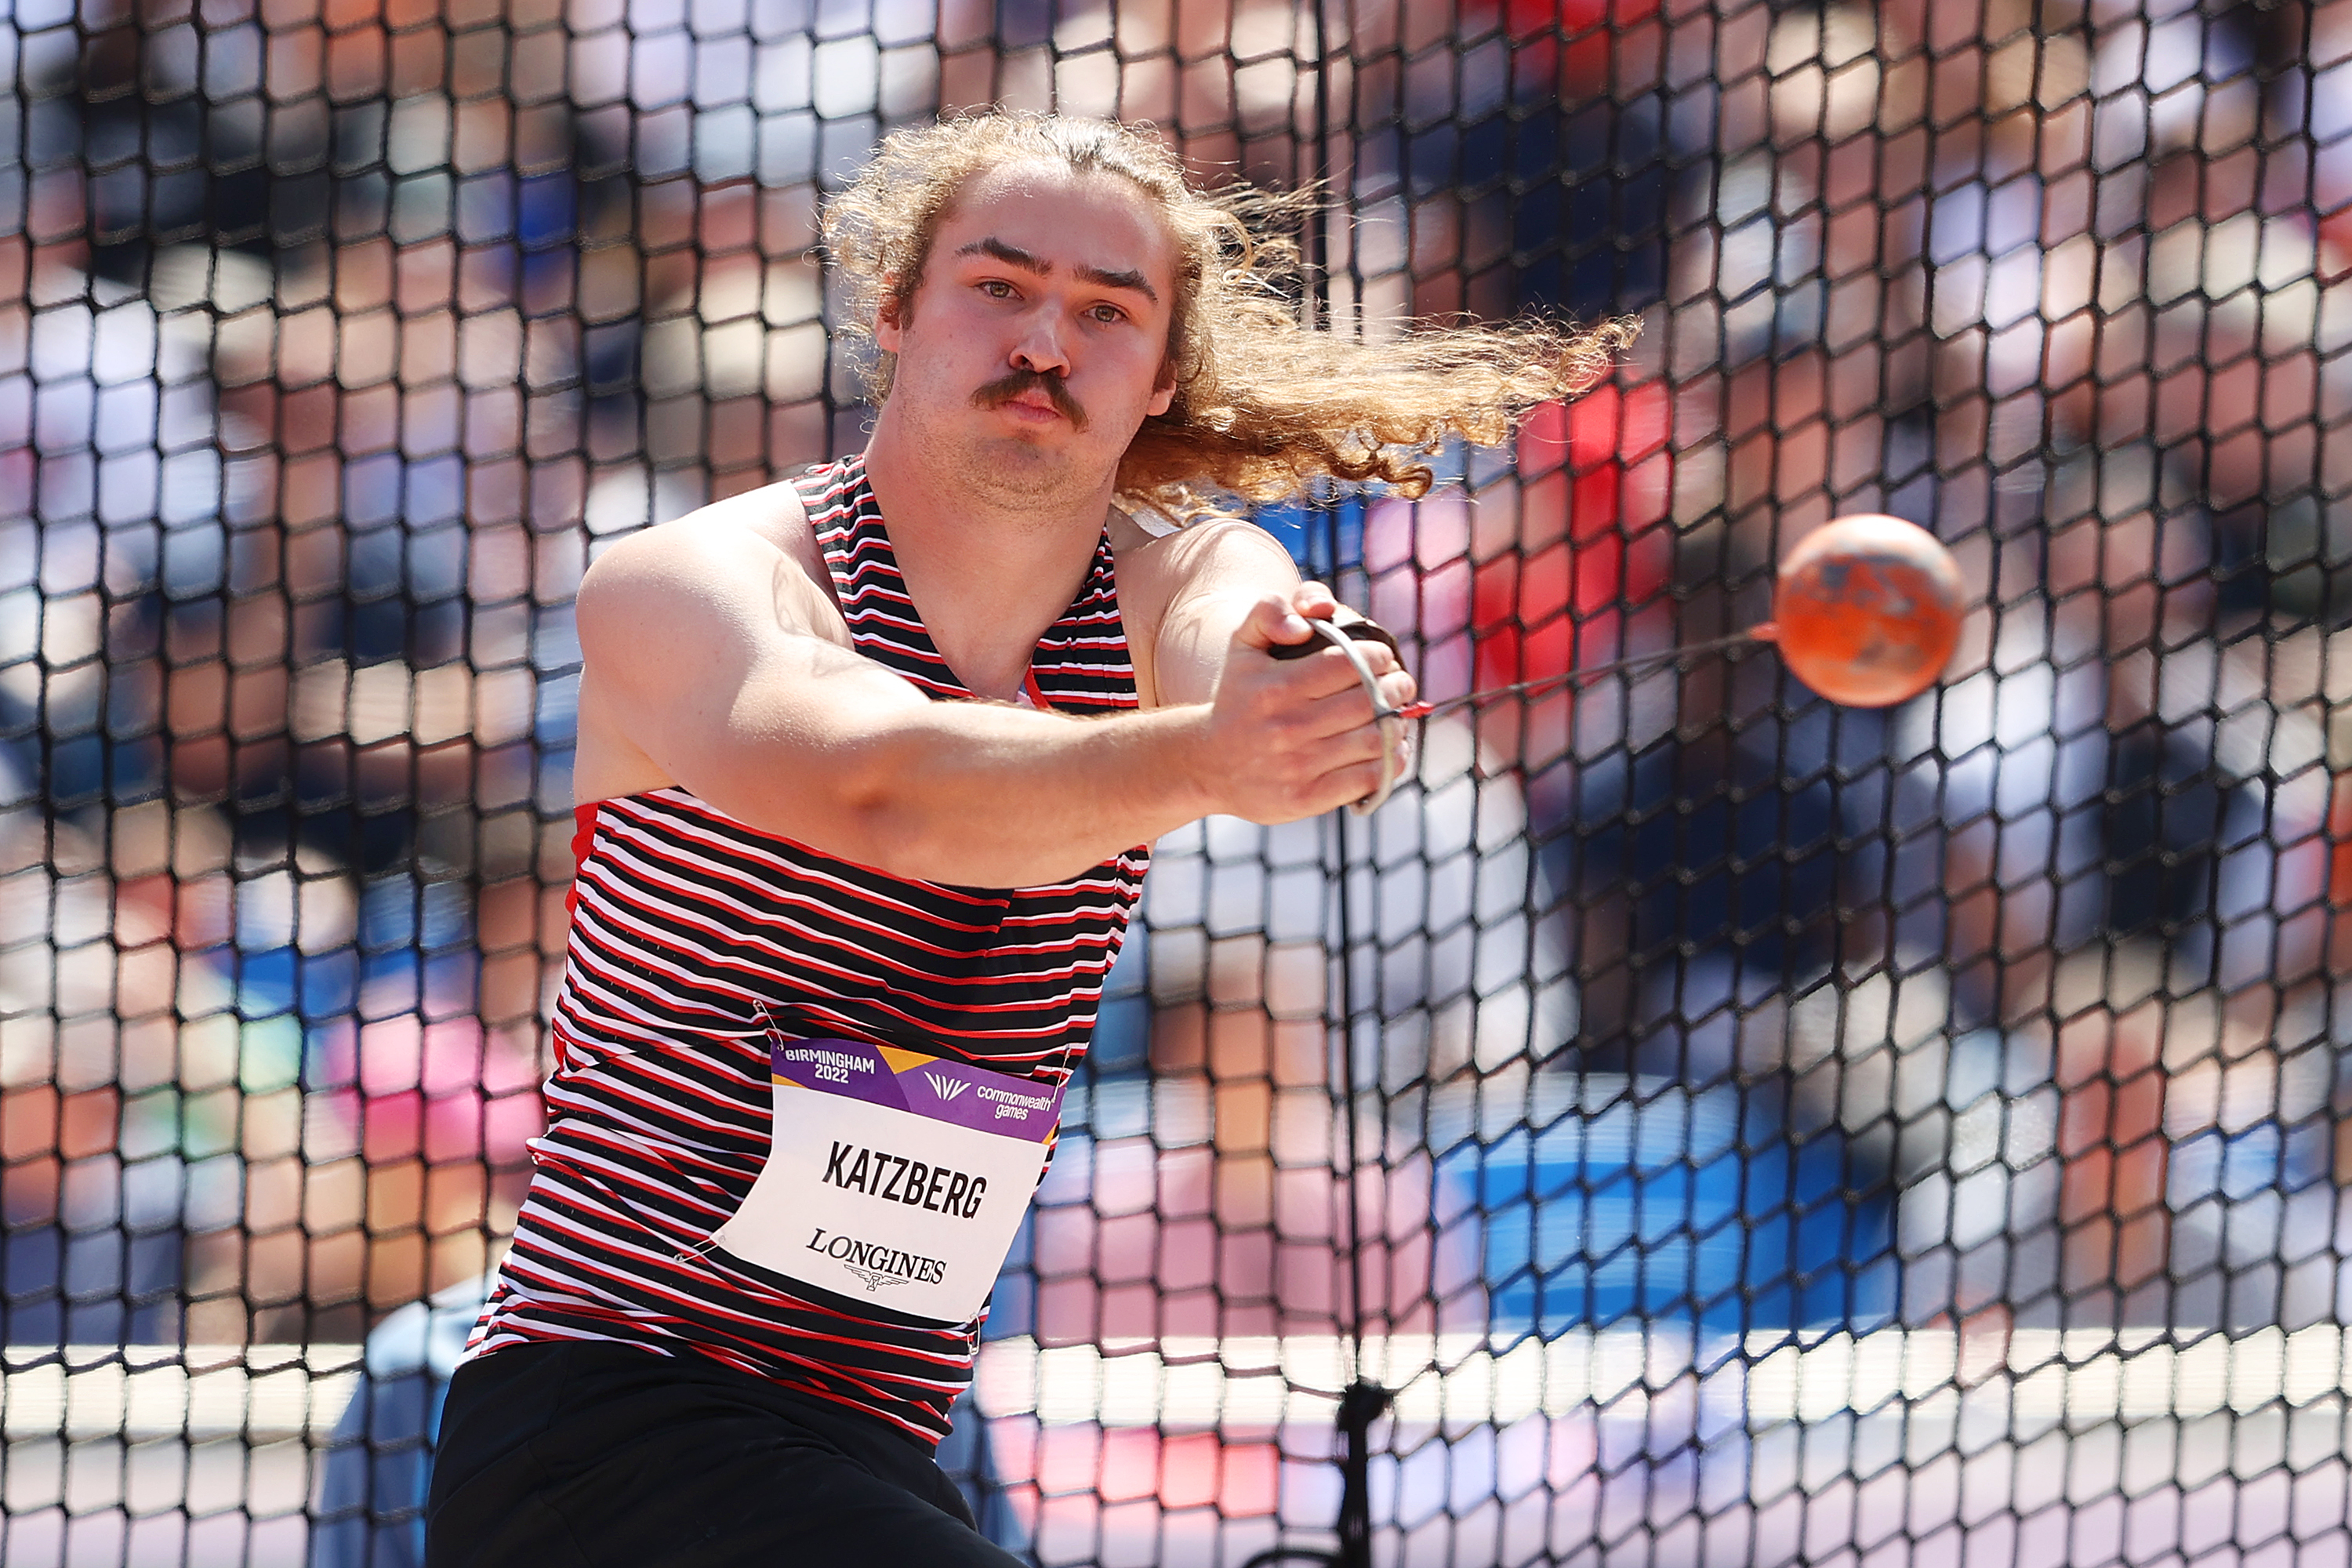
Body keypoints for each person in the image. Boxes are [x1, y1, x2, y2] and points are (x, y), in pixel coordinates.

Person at [421, 111, 1617, 1567]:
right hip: (611, 1423)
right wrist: (1212, 753)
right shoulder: (696, 581)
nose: (1046, 338)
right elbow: (886, 789)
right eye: (999, 285)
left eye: (1106, 310)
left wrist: (1312, 677)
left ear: (1162, 371)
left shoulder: (1176, 576)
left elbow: (1242, 620)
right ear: (896, 311)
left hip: (887, 1432)